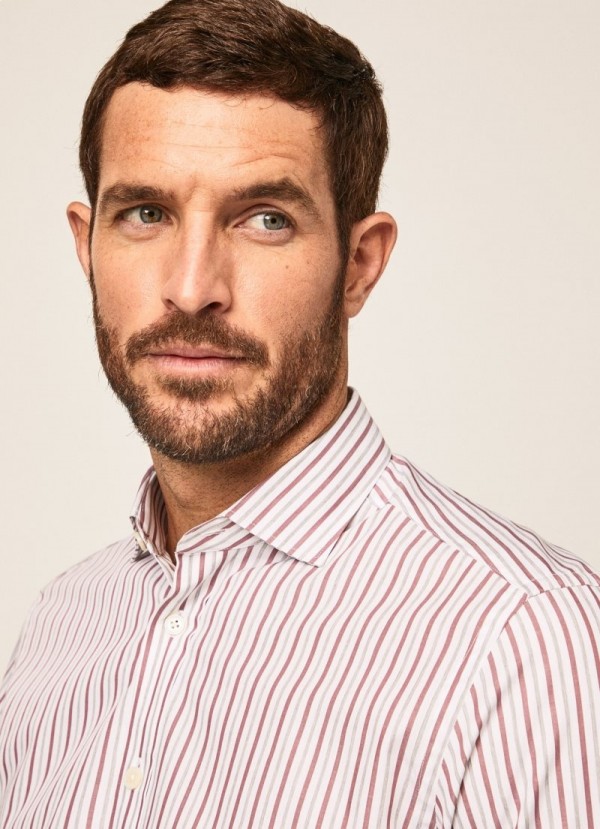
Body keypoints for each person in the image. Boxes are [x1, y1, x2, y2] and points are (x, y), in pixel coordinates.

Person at [1, 0, 598, 825]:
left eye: (265, 220)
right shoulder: (61, 624)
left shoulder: (527, 639)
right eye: (146, 213)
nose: (192, 288)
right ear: (86, 245)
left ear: (359, 264)